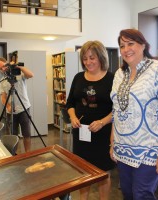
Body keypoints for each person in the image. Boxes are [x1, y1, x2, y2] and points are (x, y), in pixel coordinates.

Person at [109, 29, 158, 200]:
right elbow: (116, 111)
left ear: (143, 45)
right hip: (122, 149)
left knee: (141, 195)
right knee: (127, 193)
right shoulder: (119, 74)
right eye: (122, 46)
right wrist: (112, 143)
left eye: (130, 43)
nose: (126, 49)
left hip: (148, 151)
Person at [66, 40, 115, 200]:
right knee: (83, 171)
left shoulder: (112, 79)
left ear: (101, 57)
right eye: (85, 59)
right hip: (81, 133)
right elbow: (70, 103)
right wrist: (73, 117)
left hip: (103, 133)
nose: (88, 62)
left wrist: (102, 122)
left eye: (92, 58)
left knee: (103, 173)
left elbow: (119, 110)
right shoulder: (78, 78)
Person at [0, 57, 34, 153]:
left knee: (26, 134)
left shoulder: (19, 74)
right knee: (13, 135)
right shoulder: (3, 81)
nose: (3, 69)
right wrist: (8, 106)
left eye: (4, 66)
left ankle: (27, 154)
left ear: (7, 63)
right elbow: (3, 98)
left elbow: (31, 74)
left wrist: (18, 66)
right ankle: (14, 154)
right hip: (11, 111)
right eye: (0, 68)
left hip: (24, 108)